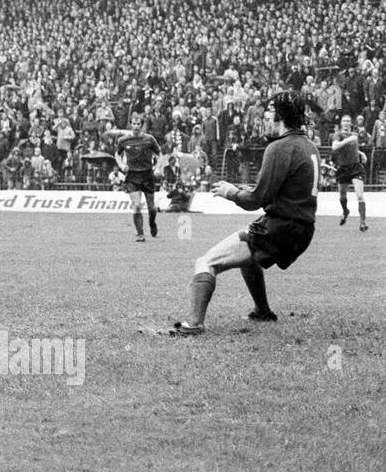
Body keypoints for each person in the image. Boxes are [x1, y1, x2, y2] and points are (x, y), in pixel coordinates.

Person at [171, 91, 320, 336]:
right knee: (248, 258)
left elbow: (255, 201)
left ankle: (194, 325)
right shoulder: (309, 145)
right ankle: (262, 311)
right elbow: (280, 190)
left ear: (280, 115)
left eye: (269, 110)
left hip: (279, 227)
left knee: (206, 262)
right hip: (302, 229)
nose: (265, 115)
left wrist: (230, 191)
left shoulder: (280, 147)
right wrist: (245, 190)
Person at [114, 115, 161, 242]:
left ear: (141, 125)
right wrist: (121, 165)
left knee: (151, 207)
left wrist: (157, 166)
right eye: (133, 124)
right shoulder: (123, 140)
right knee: (137, 205)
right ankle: (140, 234)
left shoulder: (149, 139)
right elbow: (117, 154)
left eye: (138, 124)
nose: (135, 126)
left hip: (147, 175)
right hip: (132, 176)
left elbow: (159, 153)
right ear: (130, 125)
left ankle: (152, 223)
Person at [329, 114, 369, 232]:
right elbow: (335, 146)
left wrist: (361, 153)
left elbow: (352, 148)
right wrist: (348, 140)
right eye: (344, 121)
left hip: (356, 168)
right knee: (342, 195)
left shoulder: (355, 134)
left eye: (348, 121)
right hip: (343, 168)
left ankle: (362, 222)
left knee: (360, 195)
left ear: (350, 123)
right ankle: (345, 211)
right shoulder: (338, 134)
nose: (346, 123)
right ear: (341, 123)